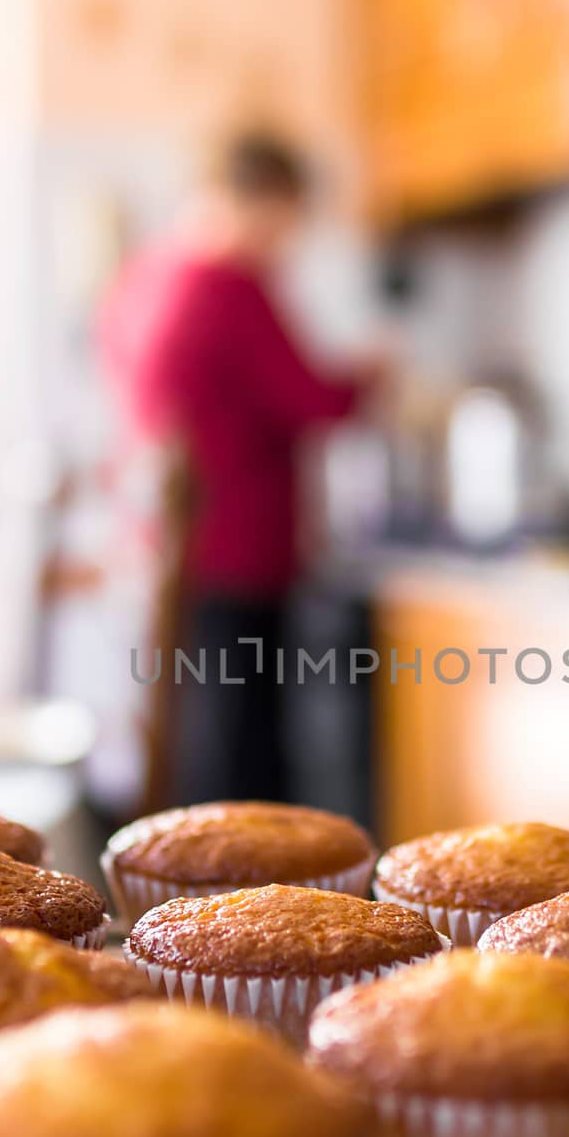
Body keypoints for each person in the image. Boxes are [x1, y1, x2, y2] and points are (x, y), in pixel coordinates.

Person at [100, 131, 384, 805]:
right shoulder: (229, 285)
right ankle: (249, 904)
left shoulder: (144, 277)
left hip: (166, 549)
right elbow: (311, 399)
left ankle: (195, 897)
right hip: (237, 549)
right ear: (259, 201)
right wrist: (373, 374)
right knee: (245, 755)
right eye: (288, 219)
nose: (288, 240)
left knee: (200, 738)